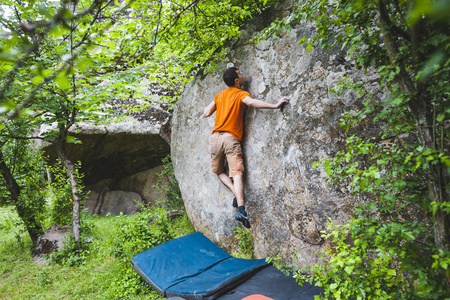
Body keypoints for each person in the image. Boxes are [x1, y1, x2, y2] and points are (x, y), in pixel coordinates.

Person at [203, 67, 290, 228]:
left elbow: (207, 112)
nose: (242, 74)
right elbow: (251, 103)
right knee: (236, 173)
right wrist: (275, 105)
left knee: (219, 172)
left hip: (215, 138)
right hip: (230, 138)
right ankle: (241, 209)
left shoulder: (219, 95)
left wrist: (216, 103)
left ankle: (235, 193)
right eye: (240, 73)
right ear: (236, 81)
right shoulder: (241, 94)